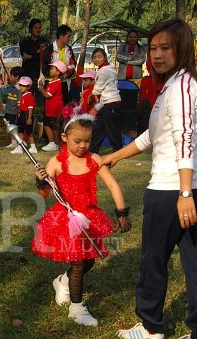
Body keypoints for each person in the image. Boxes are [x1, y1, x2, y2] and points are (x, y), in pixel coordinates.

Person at [104, 19, 197, 339]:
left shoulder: (180, 86)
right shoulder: (178, 84)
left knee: (153, 259)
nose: (156, 55)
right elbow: (153, 136)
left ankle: (151, 328)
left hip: (174, 190)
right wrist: (114, 156)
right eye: (153, 48)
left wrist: (184, 193)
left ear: (181, 49)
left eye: (165, 48)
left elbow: (183, 138)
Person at [33, 114, 130, 326]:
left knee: (89, 260)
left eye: (88, 140)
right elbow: (44, 194)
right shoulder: (56, 162)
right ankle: (76, 309)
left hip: (89, 216)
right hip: (66, 218)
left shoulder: (94, 159)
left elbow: (113, 185)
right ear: (64, 137)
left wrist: (122, 213)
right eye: (78, 141)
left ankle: (62, 282)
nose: (83, 145)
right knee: (78, 263)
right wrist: (40, 181)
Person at [88, 48, 122, 154]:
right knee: (98, 128)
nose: (97, 59)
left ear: (104, 57)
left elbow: (97, 89)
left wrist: (89, 96)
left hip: (110, 102)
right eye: (94, 57)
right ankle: (92, 150)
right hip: (106, 103)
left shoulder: (104, 70)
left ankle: (119, 150)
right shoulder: (107, 68)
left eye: (99, 57)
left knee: (111, 129)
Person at [43, 24, 76, 103]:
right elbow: (44, 69)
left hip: (64, 84)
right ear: (61, 36)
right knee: (50, 109)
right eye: (68, 36)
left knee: (64, 110)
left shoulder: (69, 50)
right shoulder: (49, 50)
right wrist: (56, 76)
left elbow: (73, 65)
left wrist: (68, 71)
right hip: (51, 83)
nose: (69, 39)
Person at [38, 60, 66, 152]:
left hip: (54, 108)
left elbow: (47, 95)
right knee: (47, 124)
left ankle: (54, 143)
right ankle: (52, 142)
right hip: (50, 107)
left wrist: (41, 88)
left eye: (52, 68)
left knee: (53, 125)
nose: (50, 70)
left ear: (58, 72)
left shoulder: (57, 83)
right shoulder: (52, 82)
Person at [19, 19, 49, 98]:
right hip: (27, 74)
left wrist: (30, 56)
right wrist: (37, 52)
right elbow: (24, 57)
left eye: (39, 28)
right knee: (27, 99)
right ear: (30, 29)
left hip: (40, 75)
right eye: (36, 28)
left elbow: (45, 55)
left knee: (40, 100)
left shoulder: (44, 41)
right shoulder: (24, 43)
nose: (38, 30)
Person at [11, 76, 38, 154]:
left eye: (23, 85)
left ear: (29, 86)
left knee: (29, 132)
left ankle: (33, 147)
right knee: (20, 131)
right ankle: (20, 147)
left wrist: (29, 118)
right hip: (22, 115)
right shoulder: (23, 95)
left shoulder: (29, 95)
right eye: (20, 85)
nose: (21, 87)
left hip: (26, 115)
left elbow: (30, 108)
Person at [0, 66, 24, 149]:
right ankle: (13, 141)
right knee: (9, 125)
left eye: (11, 76)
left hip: (14, 111)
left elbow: (20, 101)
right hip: (9, 110)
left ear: (17, 77)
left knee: (14, 127)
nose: (9, 77)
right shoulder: (11, 86)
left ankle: (18, 142)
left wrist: (18, 111)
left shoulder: (19, 89)